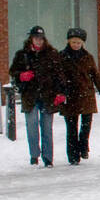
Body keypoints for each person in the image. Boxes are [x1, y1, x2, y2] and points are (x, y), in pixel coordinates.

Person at [9, 25, 64, 167]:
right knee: (32, 126)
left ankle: (48, 157)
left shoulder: (52, 54)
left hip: (47, 95)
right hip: (30, 95)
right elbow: (13, 72)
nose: (38, 41)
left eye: (40, 38)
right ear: (31, 39)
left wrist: (60, 92)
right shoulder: (22, 55)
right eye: (36, 38)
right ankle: (34, 155)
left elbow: (59, 75)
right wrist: (21, 76)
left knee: (47, 127)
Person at [58, 27, 100, 166]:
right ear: (68, 42)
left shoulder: (88, 57)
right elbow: (57, 76)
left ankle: (83, 146)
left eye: (78, 43)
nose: (76, 45)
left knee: (86, 125)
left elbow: (95, 76)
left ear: (82, 43)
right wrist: (60, 92)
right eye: (73, 42)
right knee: (71, 128)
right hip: (70, 96)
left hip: (86, 94)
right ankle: (73, 155)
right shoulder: (62, 57)